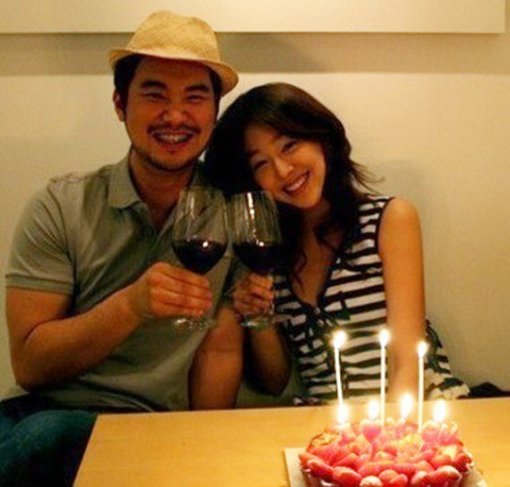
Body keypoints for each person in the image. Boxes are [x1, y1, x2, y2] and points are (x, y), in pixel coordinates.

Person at [1, 10, 243, 486]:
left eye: (195, 97)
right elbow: (30, 365)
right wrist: (131, 305)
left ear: (215, 113)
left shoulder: (234, 214)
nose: (175, 115)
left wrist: (203, 446)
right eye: (155, 94)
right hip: (40, 417)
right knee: (52, 434)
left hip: (147, 429)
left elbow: (219, 351)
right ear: (119, 103)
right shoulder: (61, 205)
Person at [204, 82, 470, 404]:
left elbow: (407, 365)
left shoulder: (389, 219)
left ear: (321, 138)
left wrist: (389, 432)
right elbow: (276, 382)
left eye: (289, 145)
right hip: (330, 422)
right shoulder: (270, 251)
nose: (283, 170)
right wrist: (259, 318)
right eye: (261, 163)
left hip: (416, 412)